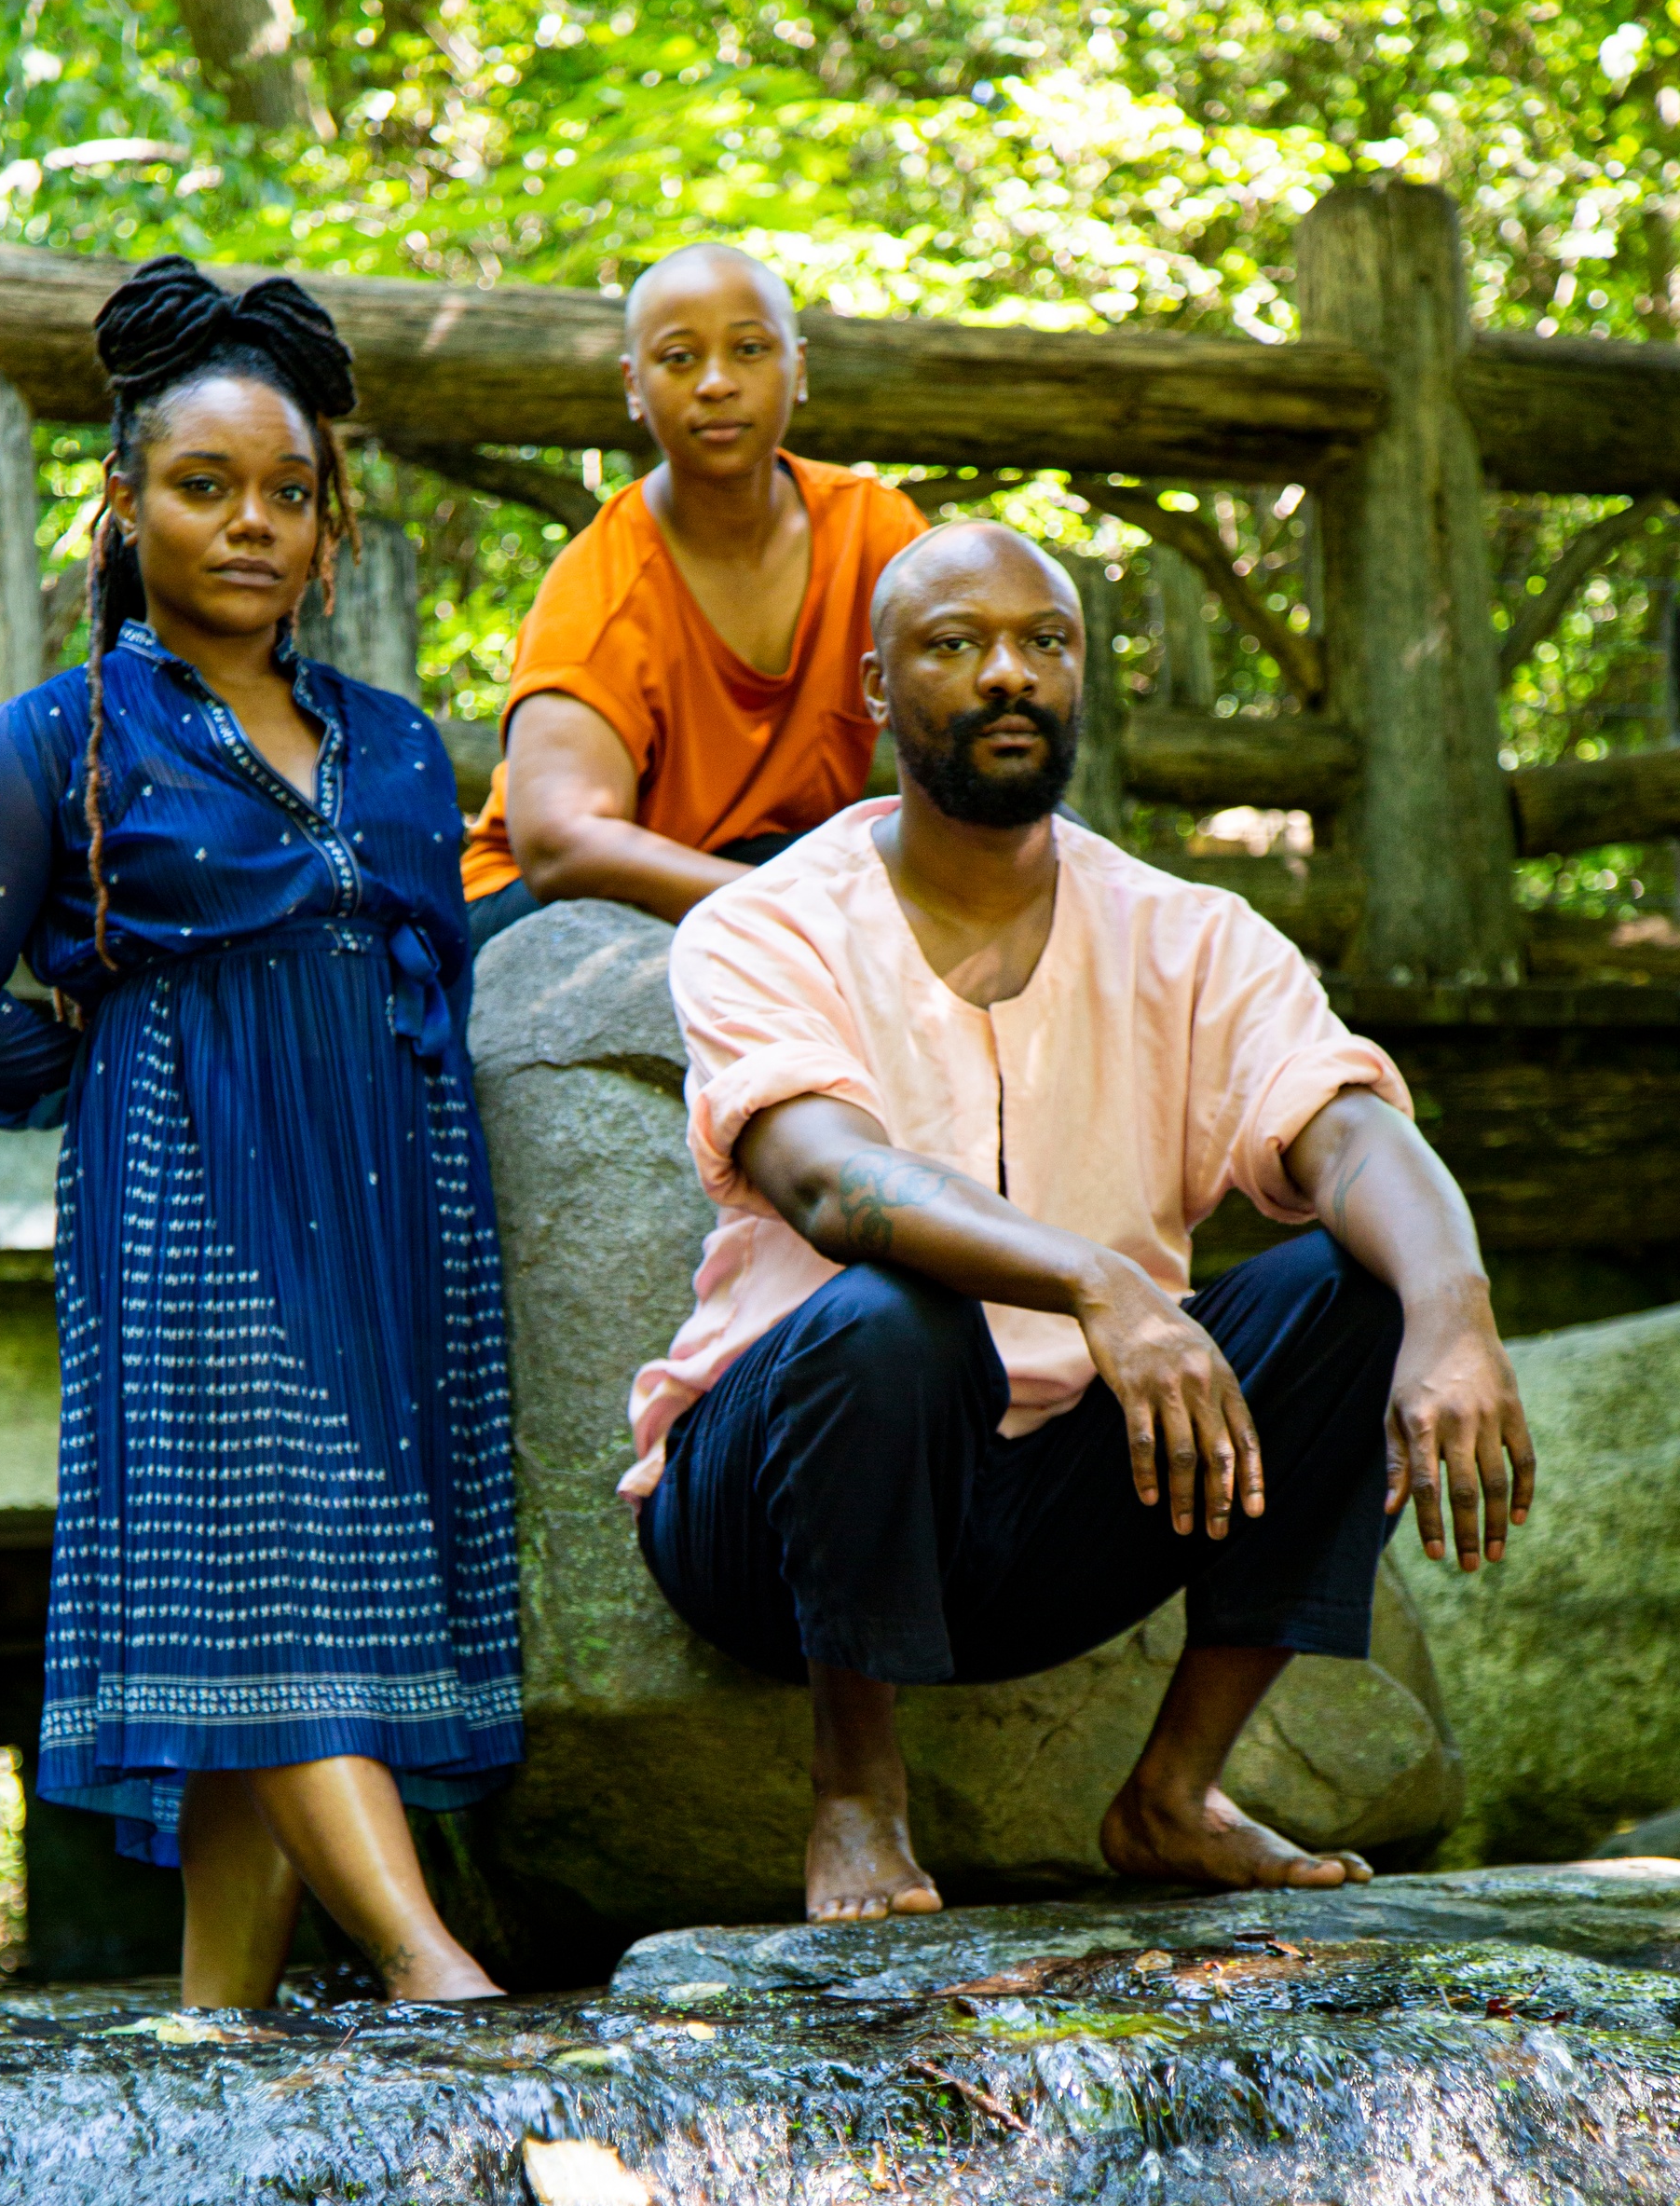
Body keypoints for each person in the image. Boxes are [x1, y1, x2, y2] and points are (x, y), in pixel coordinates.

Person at [626, 522, 1536, 1921]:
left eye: (1044, 643)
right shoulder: (762, 926)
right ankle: (858, 1801)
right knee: (889, 1314)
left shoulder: (1188, 934)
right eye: (954, 645)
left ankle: (1173, 1795)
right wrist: (1103, 1287)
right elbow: (828, 1181)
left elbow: (1348, 1124)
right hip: (779, 1518)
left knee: (1362, 1289)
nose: (1009, 675)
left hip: (1054, 1523)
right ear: (877, 689)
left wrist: (1454, 1316)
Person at [0, 258, 520, 2007]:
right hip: (189, 1191)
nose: (250, 524)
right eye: (204, 486)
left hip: (392, 1213)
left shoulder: (393, 744)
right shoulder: (57, 737)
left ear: (331, 522)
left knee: (274, 1595)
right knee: (268, 1563)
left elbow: (435, 967)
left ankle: (212, 2029)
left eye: (287, 494)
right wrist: (94, 1070)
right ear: (126, 499)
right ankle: (427, 1966)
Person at [461, 241, 928, 946]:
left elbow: (967, 715)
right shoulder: (604, 585)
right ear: (632, 385)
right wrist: (801, 912)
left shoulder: (874, 531)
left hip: (755, 864)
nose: (716, 383)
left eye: (749, 350)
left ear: (797, 369)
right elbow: (560, 845)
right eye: (679, 358)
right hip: (538, 909)